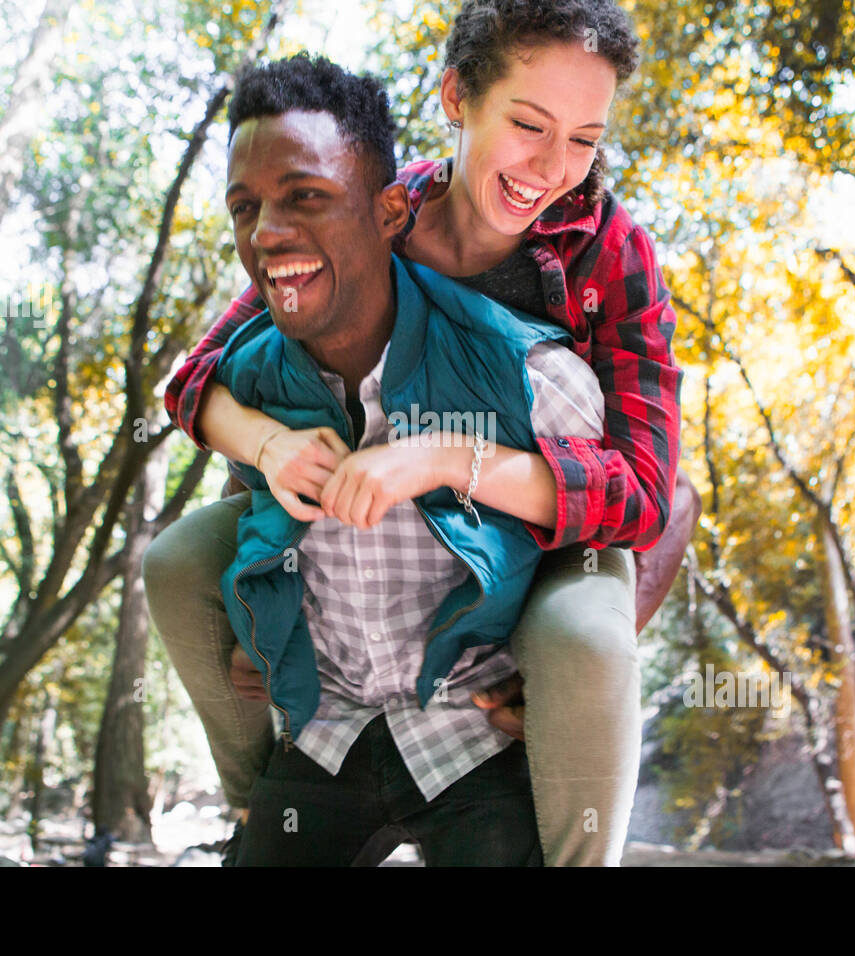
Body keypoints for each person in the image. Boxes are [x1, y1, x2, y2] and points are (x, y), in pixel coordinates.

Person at [145, 0, 700, 866]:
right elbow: (200, 379)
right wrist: (266, 452)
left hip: (542, 522)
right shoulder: (373, 210)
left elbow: (644, 493)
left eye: (585, 139)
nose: (552, 167)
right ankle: (267, 804)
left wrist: (450, 458)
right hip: (356, 518)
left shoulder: (610, 255)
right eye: (527, 125)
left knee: (585, 641)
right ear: (457, 97)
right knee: (181, 562)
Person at [210, 54, 609, 865]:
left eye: (306, 199)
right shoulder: (251, 379)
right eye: (245, 208)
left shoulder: (530, 378)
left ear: (390, 212)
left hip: (472, 731)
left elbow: (612, 529)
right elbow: (240, 487)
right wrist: (258, 630)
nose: (267, 235)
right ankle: (242, 809)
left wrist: (556, 677)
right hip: (328, 728)